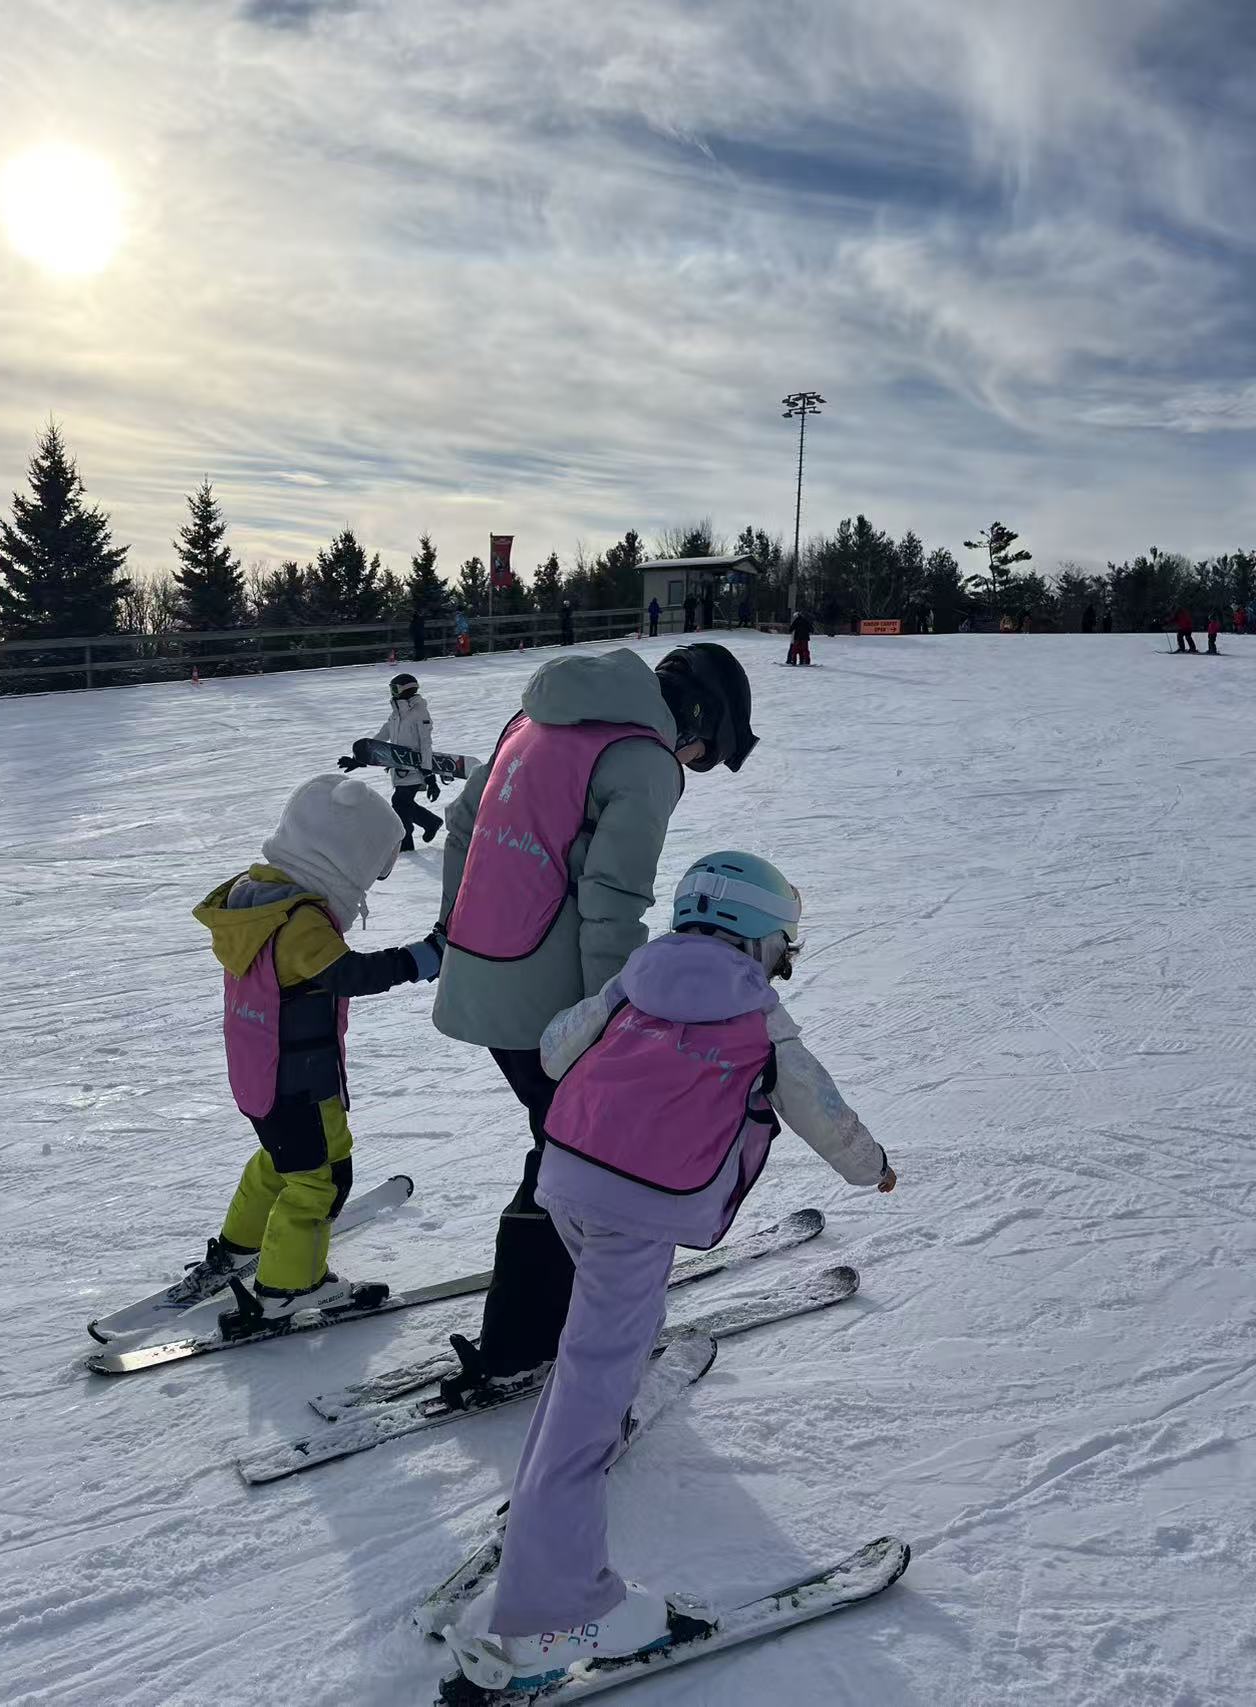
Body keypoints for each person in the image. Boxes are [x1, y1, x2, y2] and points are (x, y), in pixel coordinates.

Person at [456, 851, 895, 1684]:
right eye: (783, 948)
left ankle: (607, 1377)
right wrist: (869, 1164)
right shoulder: (759, 1015)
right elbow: (817, 1104)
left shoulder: (632, 978)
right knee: (590, 1386)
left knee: (603, 1336)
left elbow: (554, 1051)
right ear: (761, 940)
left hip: (568, 1184)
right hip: (638, 1210)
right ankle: (556, 1612)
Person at [431, 644, 758, 1404]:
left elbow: (460, 825)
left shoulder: (534, 719)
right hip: (544, 999)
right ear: (696, 719)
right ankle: (521, 1340)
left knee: (559, 1147)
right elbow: (611, 903)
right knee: (569, 1163)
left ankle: (542, 1316)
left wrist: (458, 929)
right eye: (703, 753)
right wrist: (612, 1020)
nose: (692, 765)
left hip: (482, 978)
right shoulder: (642, 760)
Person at [183, 775, 441, 1331]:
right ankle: (288, 1286)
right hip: (301, 1078)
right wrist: (424, 957)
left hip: (257, 1072)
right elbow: (348, 973)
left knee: (280, 1161)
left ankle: (237, 1247)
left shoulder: (255, 898)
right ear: (343, 854)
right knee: (321, 1178)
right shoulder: (298, 922)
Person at [348, 673, 442, 851]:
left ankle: (406, 845)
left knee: (400, 803)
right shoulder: (395, 714)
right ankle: (431, 822)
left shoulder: (419, 713)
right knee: (403, 804)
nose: (392, 693)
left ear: (406, 689)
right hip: (398, 768)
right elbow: (380, 739)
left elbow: (426, 744)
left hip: (416, 768)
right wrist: (359, 758)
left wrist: (428, 774)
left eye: (395, 688)